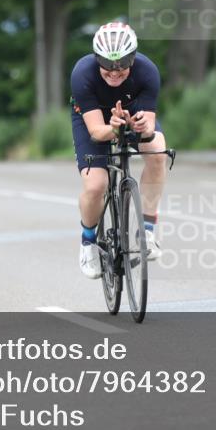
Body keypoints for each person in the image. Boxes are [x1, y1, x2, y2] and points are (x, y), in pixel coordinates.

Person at [69, 21, 167, 279]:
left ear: (132, 59)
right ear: (96, 59)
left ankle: (146, 230)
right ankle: (88, 242)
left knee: (157, 151)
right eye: (107, 64)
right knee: (95, 185)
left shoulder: (147, 72)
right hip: (93, 118)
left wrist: (143, 128)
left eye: (122, 64)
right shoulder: (83, 73)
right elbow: (96, 132)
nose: (114, 71)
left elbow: (148, 127)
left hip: (132, 109)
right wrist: (113, 129)